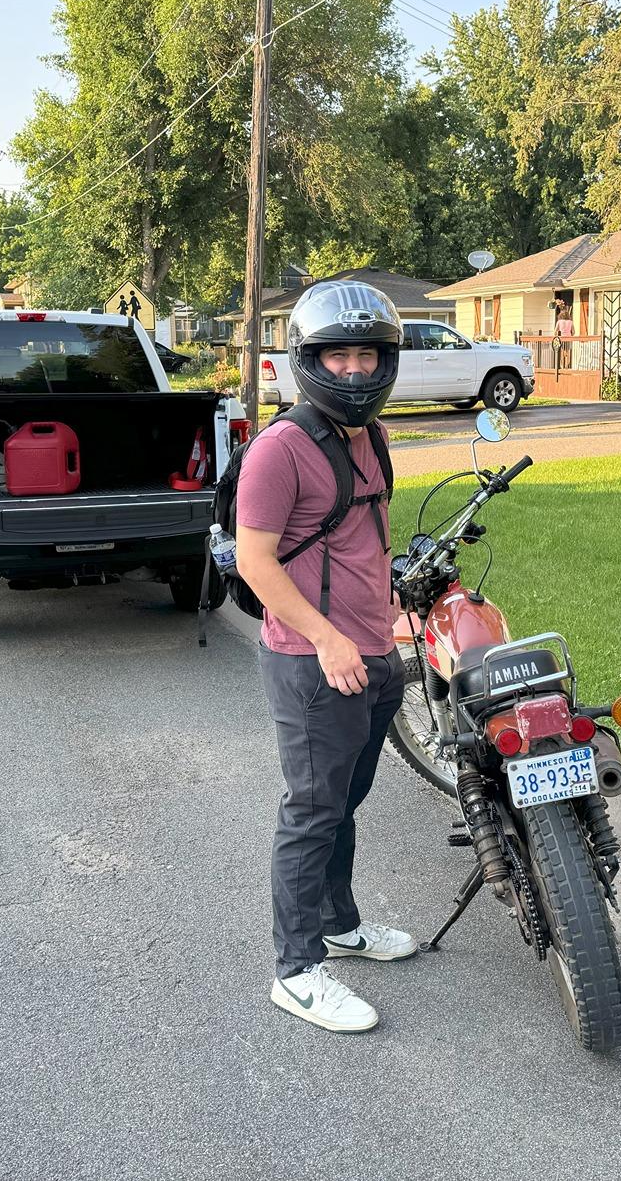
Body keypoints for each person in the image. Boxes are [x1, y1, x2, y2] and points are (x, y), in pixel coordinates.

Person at [236, 279, 414, 1034]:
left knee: (344, 803)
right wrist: (326, 635)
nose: (352, 371)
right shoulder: (279, 450)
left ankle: (340, 925)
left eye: (366, 356)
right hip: (315, 663)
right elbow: (256, 561)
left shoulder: (368, 436)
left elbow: (358, 537)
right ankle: (296, 969)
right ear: (307, 361)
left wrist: (392, 604)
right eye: (335, 357)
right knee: (311, 811)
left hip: (374, 652)